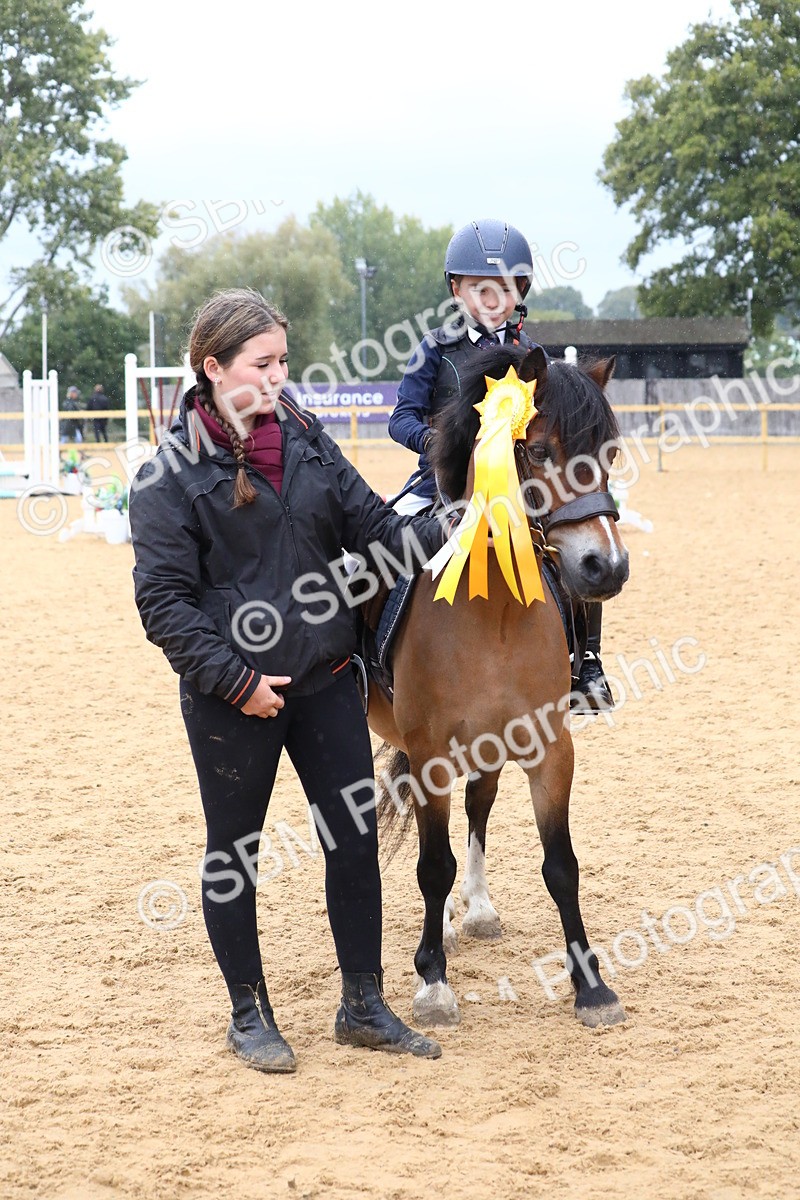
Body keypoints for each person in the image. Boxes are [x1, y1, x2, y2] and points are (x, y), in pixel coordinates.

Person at [129, 287, 446, 1074]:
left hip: (329, 679)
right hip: (233, 700)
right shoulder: (165, 477)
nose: (279, 377)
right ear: (212, 367)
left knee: (355, 841)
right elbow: (162, 603)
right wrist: (236, 682)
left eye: (282, 361)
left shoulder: (306, 439)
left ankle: (363, 1006)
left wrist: (454, 517)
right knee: (235, 854)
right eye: (261, 364)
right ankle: (249, 1014)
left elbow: (376, 533)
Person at [388, 218, 613, 712]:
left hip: (520, 488)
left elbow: (557, 422)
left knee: (572, 544)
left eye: (506, 288)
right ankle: (375, 660)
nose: (493, 299)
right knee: (385, 549)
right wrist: (437, 442)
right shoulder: (435, 349)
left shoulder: (534, 356)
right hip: (443, 484)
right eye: (480, 288)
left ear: (521, 291)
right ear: (457, 289)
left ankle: (587, 663)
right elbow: (399, 418)